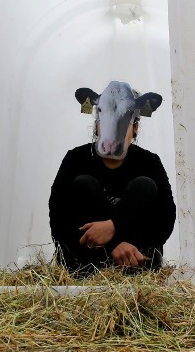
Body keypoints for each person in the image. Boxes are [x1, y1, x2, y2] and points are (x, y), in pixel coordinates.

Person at [49, 81, 176, 275]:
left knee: (143, 186)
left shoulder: (149, 162)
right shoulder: (75, 159)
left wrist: (113, 226)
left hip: (136, 263)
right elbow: (59, 218)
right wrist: (114, 246)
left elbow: (165, 219)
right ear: (97, 123)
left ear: (135, 127)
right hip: (85, 264)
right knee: (84, 185)